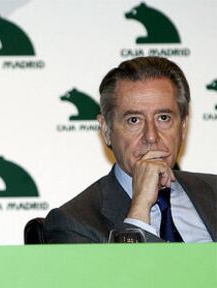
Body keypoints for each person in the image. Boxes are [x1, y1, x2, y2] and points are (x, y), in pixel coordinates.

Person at [44, 56, 217, 243]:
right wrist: (140, 208)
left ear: (183, 126)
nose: (151, 136)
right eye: (134, 120)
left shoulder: (213, 191)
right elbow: (125, 273)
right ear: (106, 130)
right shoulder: (74, 222)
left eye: (164, 118)